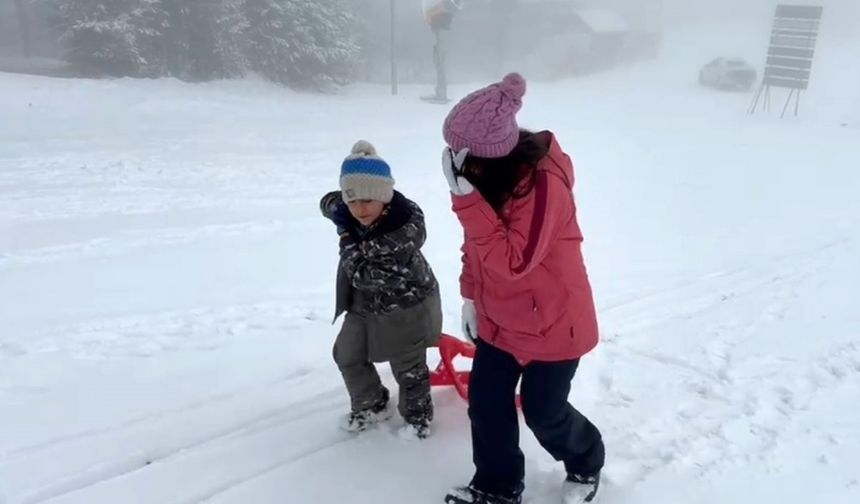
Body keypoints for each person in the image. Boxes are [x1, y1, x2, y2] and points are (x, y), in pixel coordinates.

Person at [439, 73, 605, 503]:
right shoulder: (486, 182)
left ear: (489, 155)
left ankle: (586, 461)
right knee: (487, 404)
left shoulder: (544, 185)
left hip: (554, 324)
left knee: (544, 411)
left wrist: (466, 202)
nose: (456, 161)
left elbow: (514, 259)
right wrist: (471, 295)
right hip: (500, 320)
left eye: (463, 154)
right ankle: (497, 487)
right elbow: (476, 247)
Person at [320, 140, 442, 439]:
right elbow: (330, 201)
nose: (359, 209)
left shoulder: (400, 234)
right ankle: (371, 404)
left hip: (406, 308)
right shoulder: (354, 207)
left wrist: (346, 236)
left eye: (366, 202)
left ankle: (417, 421)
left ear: (384, 198)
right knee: (347, 354)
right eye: (352, 202)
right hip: (364, 305)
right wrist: (336, 206)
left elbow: (364, 275)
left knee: (408, 367)